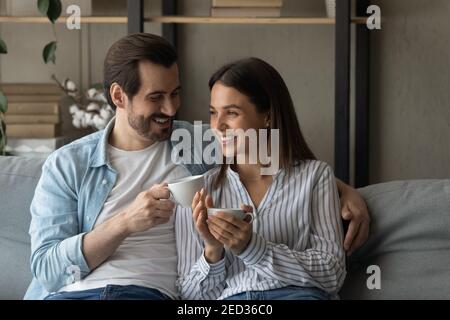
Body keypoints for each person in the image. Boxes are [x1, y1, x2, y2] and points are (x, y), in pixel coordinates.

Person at [25, 33, 368, 300]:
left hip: (151, 292)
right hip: (74, 293)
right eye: (156, 97)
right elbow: (47, 269)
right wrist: (125, 223)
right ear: (119, 96)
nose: (172, 109)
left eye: (176, 93)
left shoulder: (198, 143)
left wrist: (342, 189)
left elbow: (267, 153)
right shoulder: (68, 164)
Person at [176, 57, 346, 300]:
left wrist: (252, 248)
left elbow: (332, 273)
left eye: (231, 113)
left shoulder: (316, 176)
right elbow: (190, 298)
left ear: (267, 116)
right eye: (213, 113)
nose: (218, 125)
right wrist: (212, 251)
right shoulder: (201, 190)